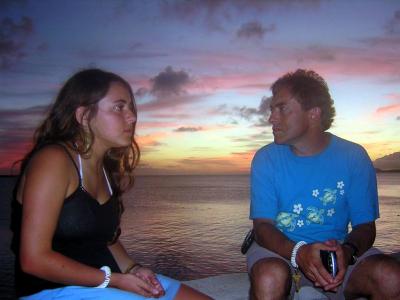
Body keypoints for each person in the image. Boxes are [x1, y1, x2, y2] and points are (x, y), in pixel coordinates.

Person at [10, 68, 211, 300]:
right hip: (52, 291)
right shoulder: (53, 161)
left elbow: (105, 239)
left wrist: (133, 270)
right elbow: (33, 259)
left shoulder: (105, 170)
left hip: (104, 283)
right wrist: (113, 280)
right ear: (84, 116)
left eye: (131, 107)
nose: (133, 117)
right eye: (119, 107)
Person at [247, 69, 400, 299]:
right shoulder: (266, 158)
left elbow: (365, 227)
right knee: (270, 277)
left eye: (281, 108)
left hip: (335, 253)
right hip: (278, 252)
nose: (271, 118)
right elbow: (262, 227)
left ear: (314, 113)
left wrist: (346, 252)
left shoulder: (353, 157)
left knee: (390, 277)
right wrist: (299, 253)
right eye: (272, 110)